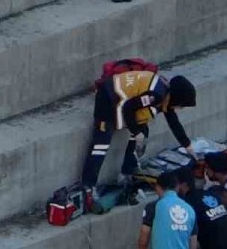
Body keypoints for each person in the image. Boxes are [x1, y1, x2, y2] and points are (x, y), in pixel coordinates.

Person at [80, 58, 197, 201]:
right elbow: (129, 107)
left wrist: (187, 145)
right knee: (101, 145)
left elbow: (173, 121)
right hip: (108, 98)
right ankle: (88, 185)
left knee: (143, 132)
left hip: (122, 102)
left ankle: (127, 173)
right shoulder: (156, 95)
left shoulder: (165, 93)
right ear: (177, 98)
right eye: (182, 105)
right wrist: (136, 132)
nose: (180, 108)